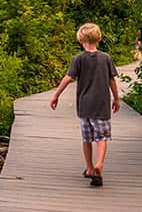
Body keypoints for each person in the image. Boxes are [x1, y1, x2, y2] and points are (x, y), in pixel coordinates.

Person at [49, 23, 120, 187]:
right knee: (101, 138)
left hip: (84, 106)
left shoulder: (78, 59)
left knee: (87, 138)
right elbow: (111, 80)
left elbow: (68, 78)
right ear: (100, 39)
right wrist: (116, 98)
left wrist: (56, 95)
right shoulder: (106, 58)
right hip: (101, 105)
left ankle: (89, 168)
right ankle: (99, 165)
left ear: (80, 41)